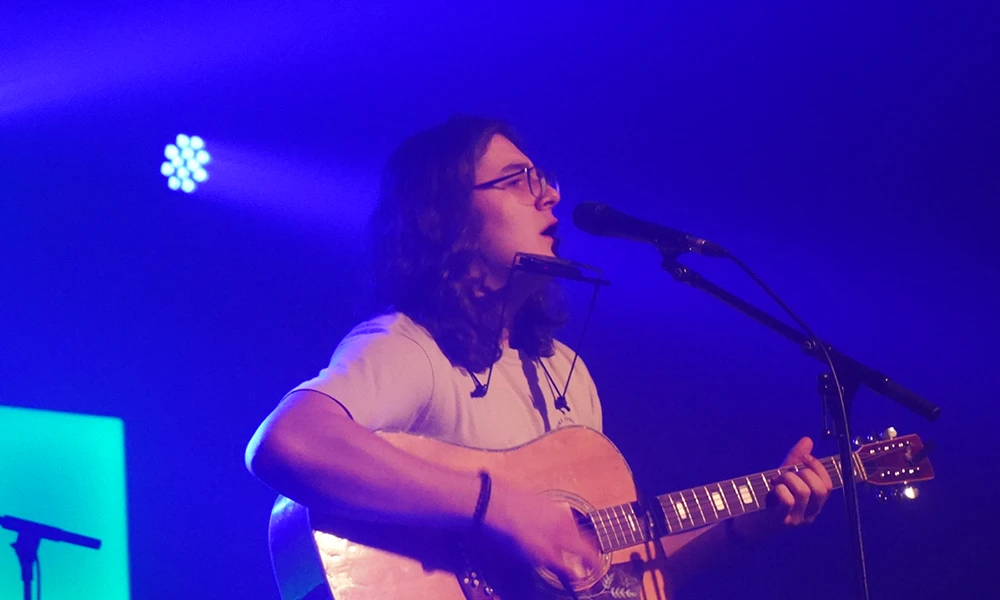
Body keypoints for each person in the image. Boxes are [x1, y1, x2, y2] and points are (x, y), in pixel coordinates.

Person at [245, 116, 833, 593]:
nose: (550, 194)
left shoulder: (563, 372)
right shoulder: (410, 346)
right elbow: (287, 442)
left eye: (542, 178)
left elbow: (614, 581)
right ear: (445, 219)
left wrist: (750, 523)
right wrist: (500, 508)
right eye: (517, 180)